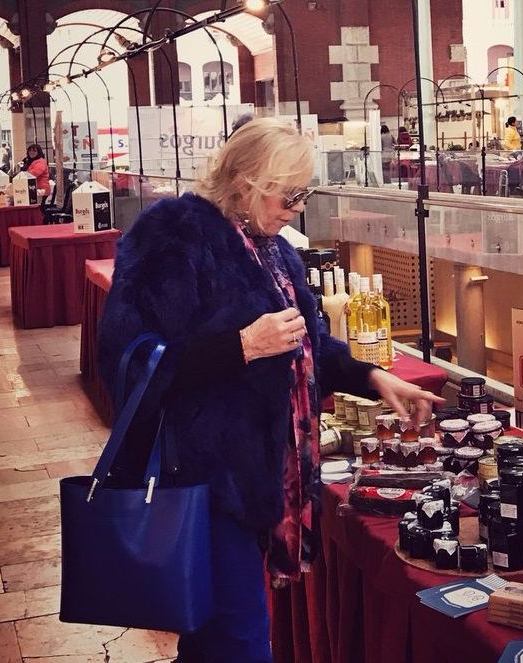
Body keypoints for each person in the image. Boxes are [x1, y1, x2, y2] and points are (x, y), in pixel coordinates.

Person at [97, 118, 444, 661]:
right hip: (203, 480)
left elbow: (309, 344)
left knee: (209, 636)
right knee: (242, 641)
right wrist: (240, 346)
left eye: (305, 195)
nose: (297, 209)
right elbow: (126, 357)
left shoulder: (274, 249)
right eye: (290, 195)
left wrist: (373, 377)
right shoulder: (173, 235)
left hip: (262, 479)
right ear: (247, 182)